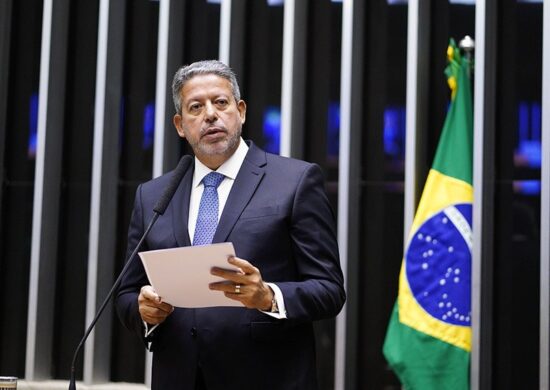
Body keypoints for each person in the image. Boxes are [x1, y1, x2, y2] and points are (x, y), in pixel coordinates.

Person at [115, 60, 346, 390]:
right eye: (196, 107)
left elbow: (329, 290)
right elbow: (125, 292)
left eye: (220, 102)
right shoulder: (153, 195)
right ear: (180, 125)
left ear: (241, 111)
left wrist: (268, 296)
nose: (210, 114)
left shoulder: (294, 182)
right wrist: (144, 310)